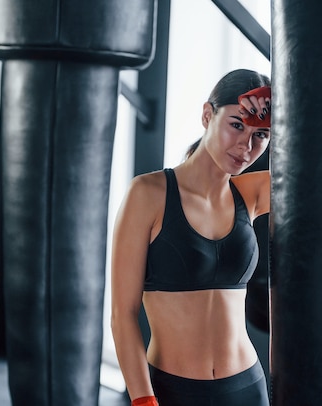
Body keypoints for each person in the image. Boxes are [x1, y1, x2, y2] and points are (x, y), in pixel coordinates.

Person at [111, 69, 271, 406]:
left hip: (247, 389)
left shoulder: (253, 194)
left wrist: (284, 100)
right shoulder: (149, 193)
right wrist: (143, 400)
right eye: (237, 125)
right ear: (207, 115)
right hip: (170, 392)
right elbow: (122, 315)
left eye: (262, 135)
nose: (246, 145)